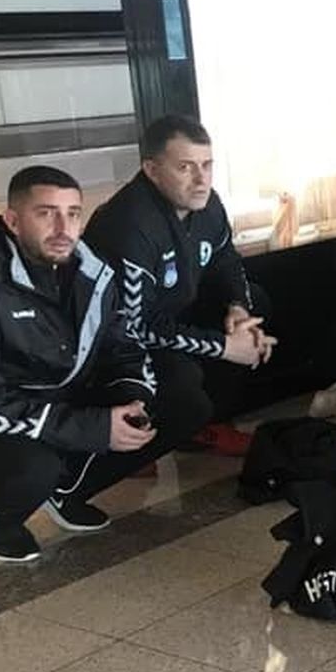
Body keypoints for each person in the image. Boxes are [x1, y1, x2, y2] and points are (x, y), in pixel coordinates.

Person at [0, 166, 209, 562]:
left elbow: (124, 345)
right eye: (45, 213)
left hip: (62, 396)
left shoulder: (92, 269)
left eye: (72, 213)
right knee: (36, 466)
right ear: (13, 220)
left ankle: (66, 491)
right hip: (0, 419)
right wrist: (95, 428)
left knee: (182, 395)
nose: (62, 227)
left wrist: (133, 397)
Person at [83, 114, 274, 456]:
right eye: (185, 167)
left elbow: (225, 258)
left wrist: (238, 308)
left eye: (207, 165)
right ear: (152, 170)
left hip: (171, 312)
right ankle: (138, 444)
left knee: (255, 302)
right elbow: (136, 328)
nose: (201, 180)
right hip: (116, 342)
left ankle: (209, 426)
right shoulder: (129, 225)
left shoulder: (207, 201)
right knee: (184, 382)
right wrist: (225, 347)